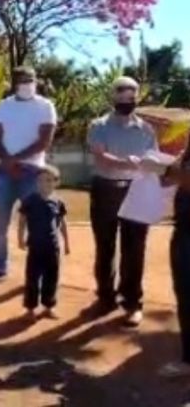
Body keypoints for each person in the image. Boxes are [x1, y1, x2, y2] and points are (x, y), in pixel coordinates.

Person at [87, 77, 158, 327]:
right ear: (113, 96)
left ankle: (132, 303)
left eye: (132, 94)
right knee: (105, 247)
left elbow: (152, 160)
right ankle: (105, 298)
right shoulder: (99, 125)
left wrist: (152, 165)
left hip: (136, 190)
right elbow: (100, 156)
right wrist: (128, 162)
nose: (127, 98)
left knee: (134, 249)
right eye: (122, 93)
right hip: (105, 189)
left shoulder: (147, 130)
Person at [0, 67, 57, 286]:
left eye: (31, 80)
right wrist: (7, 161)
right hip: (5, 172)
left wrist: (15, 160)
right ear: (14, 83)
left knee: (38, 225)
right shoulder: (4, 106)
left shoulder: (45, 106)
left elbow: (44, 141)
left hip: (33, 172)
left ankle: (38, 272)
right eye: (23, 80)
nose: (27, 84)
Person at [141, 140, 190, 377]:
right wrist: (163, 166)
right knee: (184, 293)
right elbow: (168, 180)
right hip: (184, 230)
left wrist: (161, 168)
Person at [17, 165, 71, 319]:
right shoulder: (30, 201)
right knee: (32, 278)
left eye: (49, 180)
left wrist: (66, 243)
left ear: (56, 182)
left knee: (51, 277)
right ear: (36, 182)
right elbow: (22, 221)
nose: (44, 184)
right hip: (35, 247)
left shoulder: (58, 202)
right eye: (40, 180)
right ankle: (30, 309)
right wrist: (20, 239)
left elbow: (62, 223)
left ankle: (48, 306)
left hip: (52, 247)